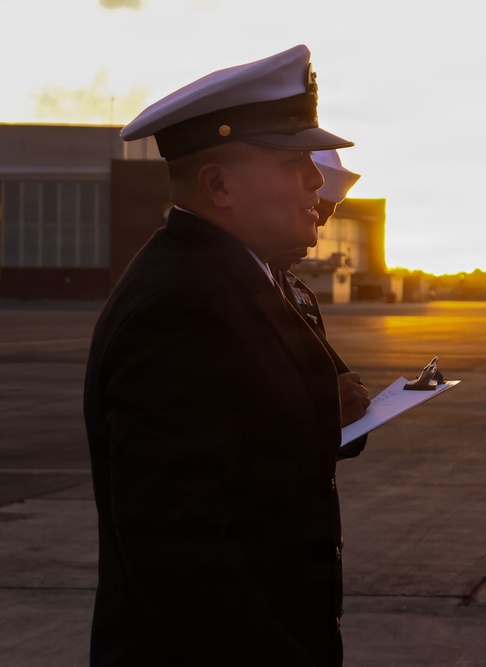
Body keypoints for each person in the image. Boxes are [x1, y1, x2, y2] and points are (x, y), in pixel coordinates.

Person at [84, 45, 362, 666]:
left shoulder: (231, 281)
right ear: (219, 184)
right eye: (295, 163)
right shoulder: (182, 308)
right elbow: (180, 555)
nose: (318, 180)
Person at [269, 149, 369, 452]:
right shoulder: (210, 291)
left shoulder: (297, 293)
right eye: (310, 215)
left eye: (319, 222)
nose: (312, 239)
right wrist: (320, 409)